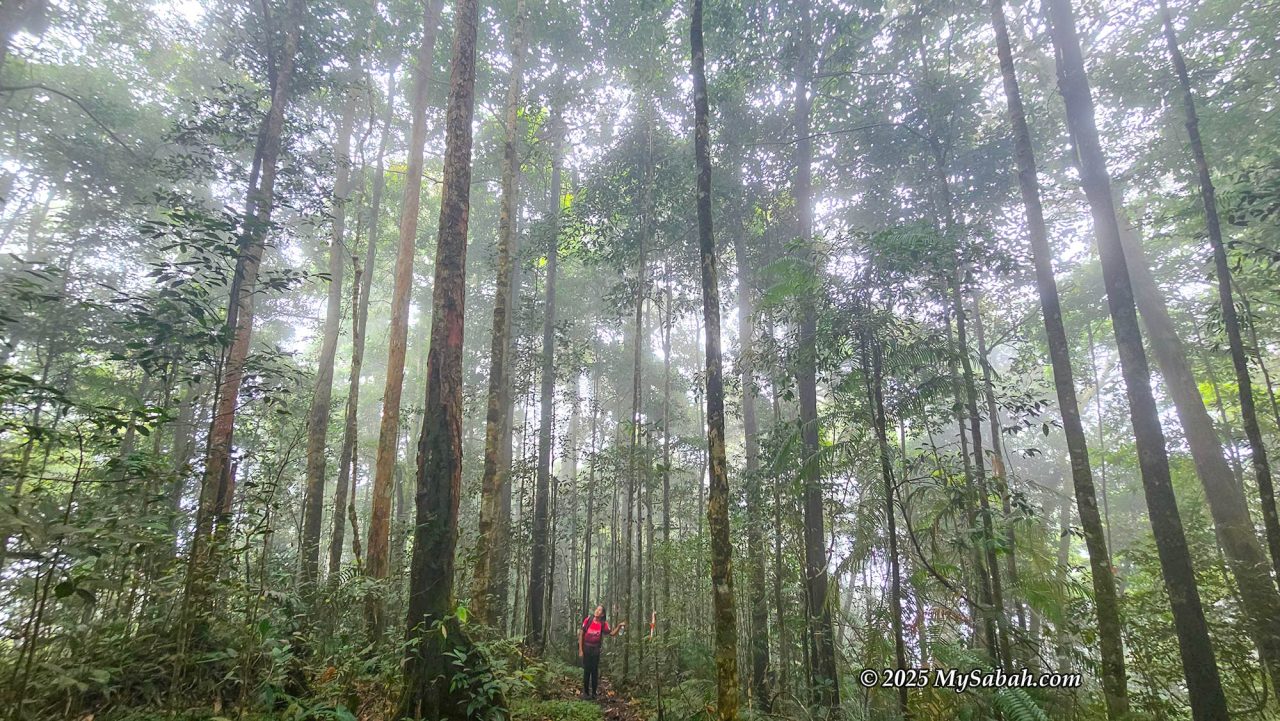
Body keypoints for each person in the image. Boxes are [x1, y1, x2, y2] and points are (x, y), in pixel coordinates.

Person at [578, 605, 625, 698]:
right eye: (597, 609)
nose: (597, 611)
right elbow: (581, 634)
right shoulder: (588, 620)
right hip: (587, 648)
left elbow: (612, 633)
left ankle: (594, 693)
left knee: (594, 671)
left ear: (602, 614)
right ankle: (586, 693)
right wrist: (580, 649)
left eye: (600, 610)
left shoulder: (603, 624)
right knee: (587, 671)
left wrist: (619, 626)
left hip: (595, 650)